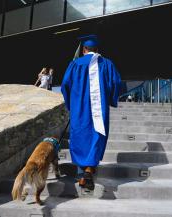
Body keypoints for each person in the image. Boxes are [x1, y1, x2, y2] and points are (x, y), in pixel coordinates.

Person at [61, 34, 121, 191]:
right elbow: (116, 83)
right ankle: (88, 171)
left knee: (80, 135)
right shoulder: (107, 64)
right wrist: (110, 99)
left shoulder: (75, 64)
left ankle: (84, 173)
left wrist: (70, 103)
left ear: (84, 49)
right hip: (98, 109)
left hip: (79, 109)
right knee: (96, 135)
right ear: (97, 49)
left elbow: (65, 84)